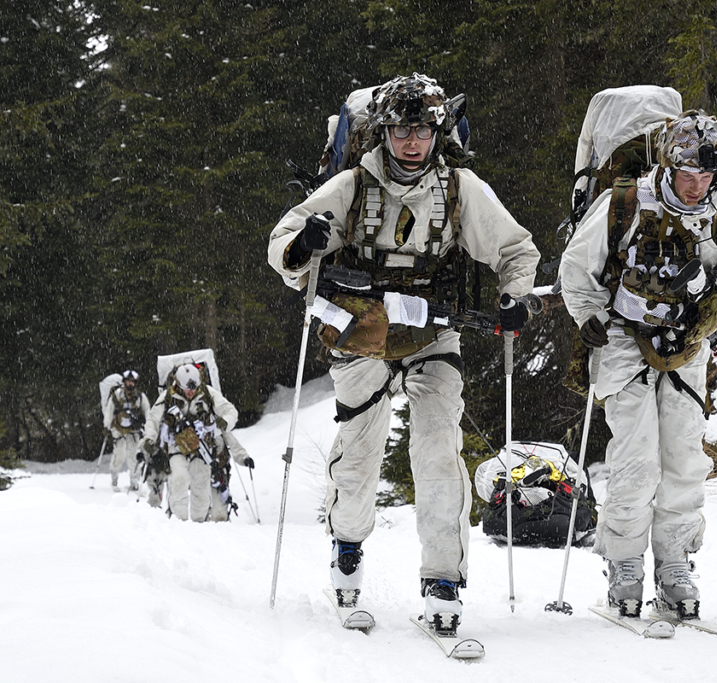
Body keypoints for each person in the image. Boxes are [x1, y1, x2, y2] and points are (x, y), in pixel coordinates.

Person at [267, 73, 539, 633]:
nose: (411, 141)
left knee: (439, 445)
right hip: (357, 329)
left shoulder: (461, 188)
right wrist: (304, 243)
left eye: (422, 130)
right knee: (361, 447)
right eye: (400, 130)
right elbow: (282, 244)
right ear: (385, 131)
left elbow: (515, 247)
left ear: (438, 131)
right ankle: (347, 548)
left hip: (433, 330)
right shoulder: (350, 184)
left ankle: (444, 579)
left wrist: (515, 297)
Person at [559, 110, 717, 619]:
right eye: (688, 174)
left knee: (683, 458)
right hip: (621, 339)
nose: (697, 185)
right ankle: (625, 564)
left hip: (688, 344)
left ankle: (674, 563)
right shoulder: (625, 202)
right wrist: (587, 313)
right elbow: (576, 266)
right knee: (636, 458)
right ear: (668, 165)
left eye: (706, 175)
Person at [141, 364, 254, 522]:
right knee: (178, 480)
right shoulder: (168, 396)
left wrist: (224, 422)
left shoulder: (208, 393)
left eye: (194, 388)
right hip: (176, 447)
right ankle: (178, 522)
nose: (191, 392)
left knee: (201, 487)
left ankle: (199, 524)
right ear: (178, 384)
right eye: (187, 388)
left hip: (202, 449)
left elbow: (231, 411)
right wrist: (148, 439)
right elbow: (153, 419)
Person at [102, 369, 150, 492]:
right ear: (124, 382)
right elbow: (109, 410)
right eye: (128, 381)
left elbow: (148, 413)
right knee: (119, 454)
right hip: (118, 429)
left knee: (133, 455)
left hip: (134, 430)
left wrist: (148, 430)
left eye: (133, 381)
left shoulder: (140, 397)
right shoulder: (117, 395)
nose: (130, 384)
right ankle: (114, 476)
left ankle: (134, 480)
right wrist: (107, 426)